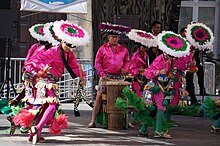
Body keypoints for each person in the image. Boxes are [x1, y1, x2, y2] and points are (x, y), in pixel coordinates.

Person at [13, 20, 89, 144]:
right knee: (52, 105)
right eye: (68, 45)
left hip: (52, 81)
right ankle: (37, 128)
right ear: (62, 40)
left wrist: (82, 78)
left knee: (46, 107)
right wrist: (39, 73)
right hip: (45, 81)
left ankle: (33, 134)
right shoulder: (53, 51)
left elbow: (74, 66)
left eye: (72, 46)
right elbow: (32, 63)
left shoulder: (68, 54)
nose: (69, 48)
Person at [87, 31, 130, 128]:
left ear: (119, 38)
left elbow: (127, 61)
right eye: (112, 37)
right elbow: (97, 63)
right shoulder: (102, 49)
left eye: (116, 37)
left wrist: (125, 69)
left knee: (124, 98)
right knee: (98, 98)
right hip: (106, 77)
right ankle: (93, 120)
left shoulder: (123, 49)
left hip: (119, 78)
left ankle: (125, 121)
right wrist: (102, 74)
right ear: (108, 38)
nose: (114, 39)